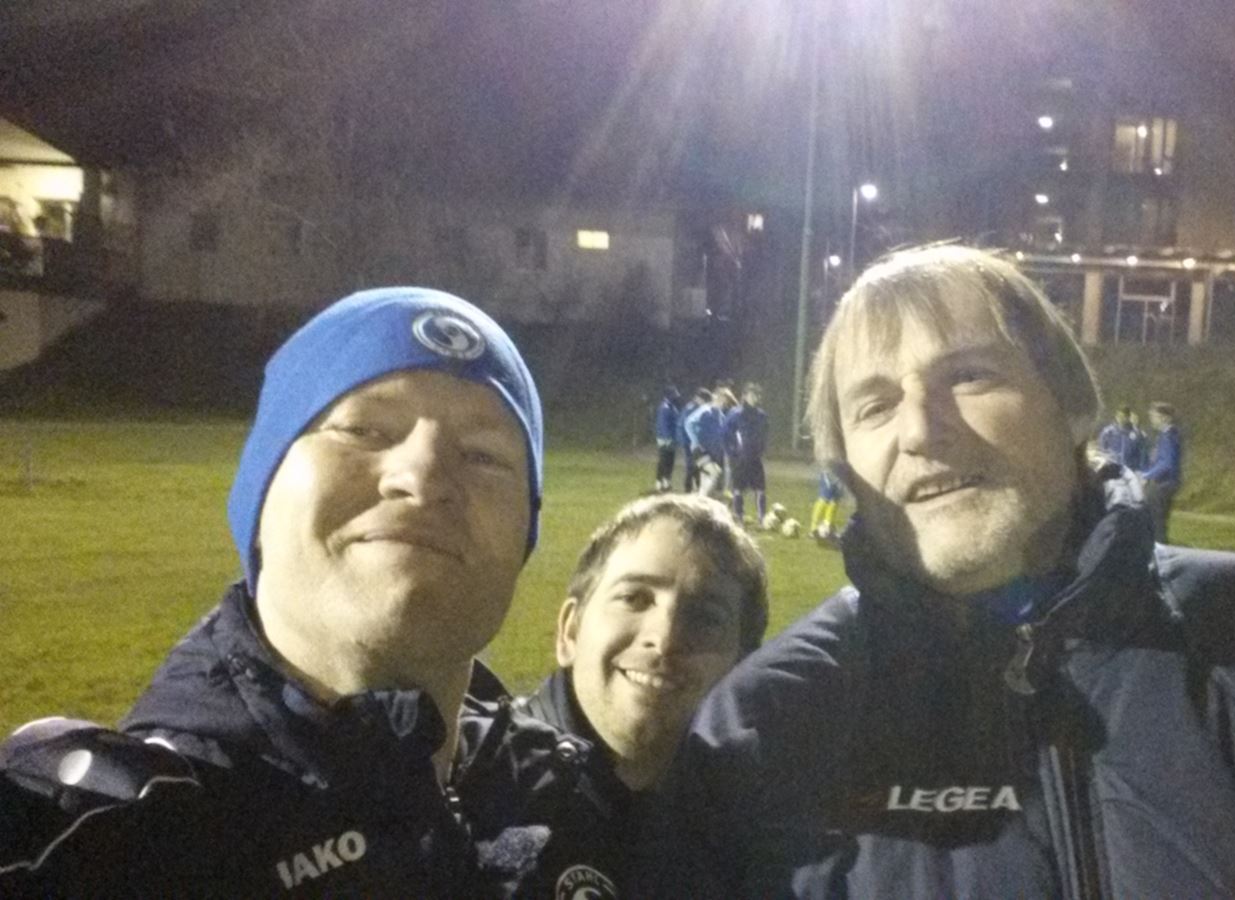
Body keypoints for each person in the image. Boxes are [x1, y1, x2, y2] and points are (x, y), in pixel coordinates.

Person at [644, 245, 1235, 896]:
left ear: (1073, 404)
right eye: (875, 405)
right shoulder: (767, 724)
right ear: (844, 466)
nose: (921, 428)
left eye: (969, 377)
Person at [0, 287, 563, 895]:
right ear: (260, 495)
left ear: (523, 538)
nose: (423, 477)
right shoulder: (104, 841)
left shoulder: (571, 795)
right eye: (364, 429)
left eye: (484, 456)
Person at [513, 493, 769, 897]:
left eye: (705, 617)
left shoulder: (756, 838)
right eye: (635, 598)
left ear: (744, 669)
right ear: (570, 632)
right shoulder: (473, 795)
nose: (664, 638)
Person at [724, 382, 770, 527]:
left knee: (760, 488)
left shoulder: (762, 416)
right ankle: (739, 517)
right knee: (738, 489)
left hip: (755, 458)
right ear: (744, 396)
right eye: (752, 394)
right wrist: (732, 452)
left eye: (757, 395)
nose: (756, 397)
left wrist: (761, 449)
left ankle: (762, 518)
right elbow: (726, 435)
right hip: (740, 459)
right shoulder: (735, 414)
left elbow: (764, 435)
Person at [1140, 400, 1182, 543]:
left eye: (1154, 416)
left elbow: (1167, 463)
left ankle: (1160, 548)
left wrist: (1147, 475)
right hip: (1163, 482)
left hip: (1164, 483)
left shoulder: (1169, 436)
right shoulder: (1164, 435)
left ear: (1165, 418)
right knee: (1155, 519)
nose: (1152, 419)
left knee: (1157, 520)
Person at [685, 388, 733, 499]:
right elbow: (688, 423)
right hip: (701, 451)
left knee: (707, 480)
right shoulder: (705, 410)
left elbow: (722, 435)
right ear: (714, 396)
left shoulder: (721, 416)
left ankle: (699, 501)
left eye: (724, 400)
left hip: (714, 454)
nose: (722, 401)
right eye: (720, 397)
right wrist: (696, 442)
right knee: (713, 473)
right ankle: (700, 499)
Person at [1095, 404, 1146, 471]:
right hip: (1112, 468)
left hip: (1130, 469)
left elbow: (1141, 454)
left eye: (1123, 416)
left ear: (1128, 418)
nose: (1120, 419)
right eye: (1118, 416)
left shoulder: (1136, 434)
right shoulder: (1108, 432)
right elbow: (1101, 449)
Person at [652, 384, 681, 493]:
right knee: (664, 461)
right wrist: (667, 438)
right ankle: (659, 483)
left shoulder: (671, 407)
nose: (676, 397)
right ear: (669, 395)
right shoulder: (665, 407)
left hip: (671, 437)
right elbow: (663, 424)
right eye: (674, 395)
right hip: (665, 438)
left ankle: (666, 482)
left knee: (670, 461)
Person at [808, 468, 848, 540]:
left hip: (839, 470)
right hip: (830, 470)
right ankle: (814, 529)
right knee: (825, 497)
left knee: (834, 499)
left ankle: (828, 528)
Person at [677, 388, 702, 492]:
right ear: (697, 398)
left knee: (694, 463)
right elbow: (686, 424)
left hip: (686, 439)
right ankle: (690, 487)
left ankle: (695, 486)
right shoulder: (693, 408)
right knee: (692, 464)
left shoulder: (690, 406)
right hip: (688, 440)